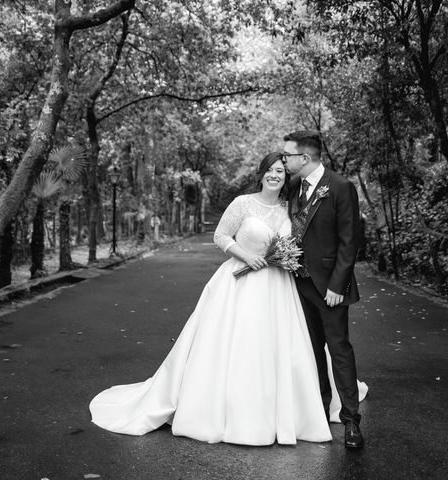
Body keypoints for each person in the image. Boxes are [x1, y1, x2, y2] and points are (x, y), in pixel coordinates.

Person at [89, 152, 333, 445]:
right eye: (269, 170)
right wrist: (247, 256)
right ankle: (224, 411)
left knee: (274, 344)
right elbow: (220, 235)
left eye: (280, 171)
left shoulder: (289, 209)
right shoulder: (242, 203)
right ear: (261, 174)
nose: (274, 175)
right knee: (235, 344)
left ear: (286, 177)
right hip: (238, 282)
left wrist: (280, 259)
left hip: (278, 287)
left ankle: (279, 411)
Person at [283, 130, 365, 449]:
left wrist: (338, 285)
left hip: (330, 287)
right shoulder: (292, 188)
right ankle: (319, 410)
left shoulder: (341, 186)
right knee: (312, 351)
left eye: (288, 154)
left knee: (339, 350)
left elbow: (350, 241)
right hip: (298, 285)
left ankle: (351, 421)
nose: (284, 159)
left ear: (305, 158)